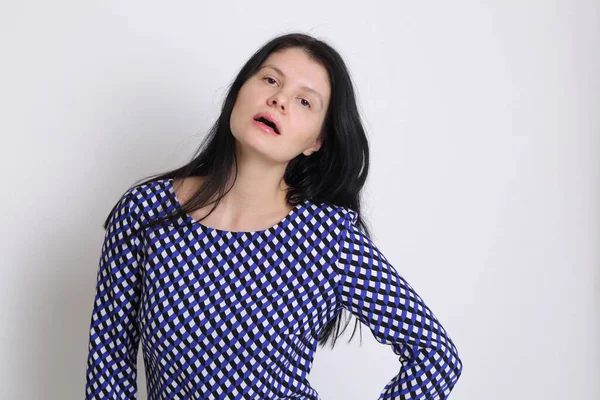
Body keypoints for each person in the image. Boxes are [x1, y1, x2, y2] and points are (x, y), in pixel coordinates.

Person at [84, 32, 463, 399]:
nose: (279, 99)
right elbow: (108, 370)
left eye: (304, 102)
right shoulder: (146, 212)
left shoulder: (328, 238)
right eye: (270, 79)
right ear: (239, 92)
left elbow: (435, 356)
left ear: (316, 140)